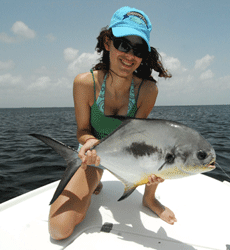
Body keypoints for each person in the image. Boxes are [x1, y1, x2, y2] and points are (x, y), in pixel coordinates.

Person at [49, 6, 174, 240]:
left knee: (158, 160)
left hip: (128, 155)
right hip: (93, 154)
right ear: (108, 42)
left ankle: (149, 198)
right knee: (59, 229)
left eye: (138, 50)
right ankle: (95, 179)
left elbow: (139, 138)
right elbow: (83, 131)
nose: (129, 56)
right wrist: (91, 143)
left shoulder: (147, 89)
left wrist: (150, 172)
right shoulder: (85, 83)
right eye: (123, 45)